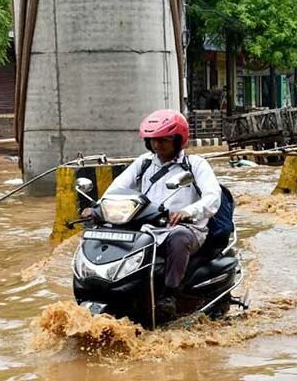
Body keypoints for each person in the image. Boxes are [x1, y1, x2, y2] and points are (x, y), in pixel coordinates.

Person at [84, 109, 221, 316]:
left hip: (186, 227)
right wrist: (98, 207)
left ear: (178, 140)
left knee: (178, 238)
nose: (157, 145)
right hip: (146, 227)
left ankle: (170, 294)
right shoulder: (144, 162)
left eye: (164, 140)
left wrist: (187, 211)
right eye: (153, 140)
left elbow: (213, 197)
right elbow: (118, 187)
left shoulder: (196, 165)